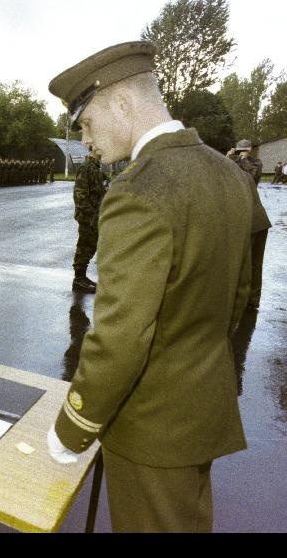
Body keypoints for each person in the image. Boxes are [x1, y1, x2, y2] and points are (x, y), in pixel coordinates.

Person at [47, 41, 253, 532]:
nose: (86, 142)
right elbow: (238, 297)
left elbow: (119, 337)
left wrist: (72, 428)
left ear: (122, 103)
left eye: (87, 124)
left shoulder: (137, 192)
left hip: (151, 429)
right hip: (201, 410)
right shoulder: (230, 176)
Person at [227, 139, 272, 310]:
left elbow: (250, 178)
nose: (242, 153)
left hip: (256, 222)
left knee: (253, 262)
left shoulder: (256, 163)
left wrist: (242, 160)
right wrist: (227, 158)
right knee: (243, 261)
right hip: (248, 220)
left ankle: (252, 300)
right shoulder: (233, 163)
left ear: (250, 150)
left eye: (244, 151)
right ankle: (242, 298)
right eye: (240, 151)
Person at [71, 151, 106, 292]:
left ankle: (82, 276)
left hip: (93, 216)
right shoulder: (86, 167)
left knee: (90, 245)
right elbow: (79, 195)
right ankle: (78, 280)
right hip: (87, 217)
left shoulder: (95, 168)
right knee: (84, 245)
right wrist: (91, 215)